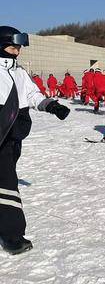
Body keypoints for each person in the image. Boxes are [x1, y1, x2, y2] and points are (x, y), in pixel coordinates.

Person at [0, 26, 70, 255]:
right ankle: (12, 235)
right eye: (13, 47)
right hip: (1, 135)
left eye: (19, 47)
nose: (17, 51)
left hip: (16, 133)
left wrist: (51, 105)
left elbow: (32, 95)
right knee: (8, 184)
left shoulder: (19, 72)